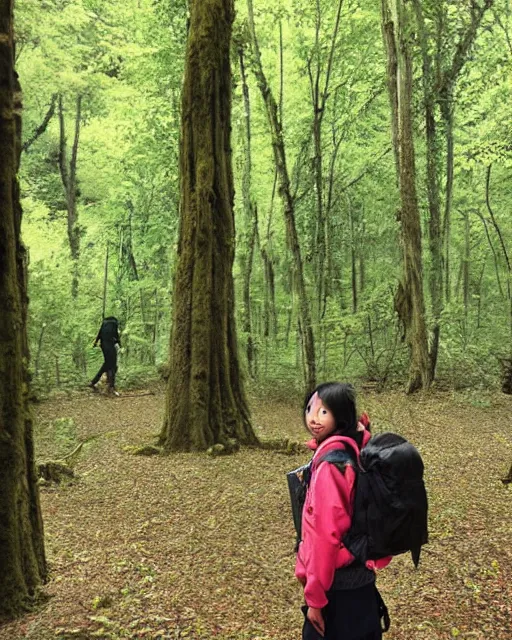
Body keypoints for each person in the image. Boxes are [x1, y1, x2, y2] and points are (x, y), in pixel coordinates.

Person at [295, 382, 390, 640]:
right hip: (362, 585)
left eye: (323, 412)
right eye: (309, 409)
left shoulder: (332, 466)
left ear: (341, 415)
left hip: (337, 594)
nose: (313, 418)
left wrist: (315, 601)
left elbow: (324, 537)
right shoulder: (355, 448)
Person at [88, 316, 121, 395]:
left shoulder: (104, 323)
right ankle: (111, 386)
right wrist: (119, 344)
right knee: (112, 365)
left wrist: (95, 343)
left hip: (103, 345)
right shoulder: (114, 323)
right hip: (110, 345)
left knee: (107, 364)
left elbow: (99, 333)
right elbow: (115, 335)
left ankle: (94, 382)